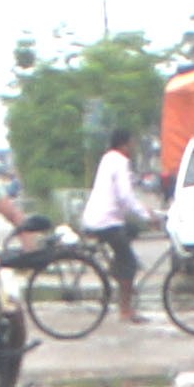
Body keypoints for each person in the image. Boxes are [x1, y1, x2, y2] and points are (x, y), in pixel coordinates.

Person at [82, 126, 155, 322]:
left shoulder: (107, 158)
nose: (132, 147)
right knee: (130, 264)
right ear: (124, 144)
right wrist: (146, 216)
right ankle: (125, 310)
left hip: (98, 218)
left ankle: (116, 267)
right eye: (131, 143)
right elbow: (125, 196)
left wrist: (140, 214)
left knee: (132, 230)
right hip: (106, 221)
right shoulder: (120, 162)